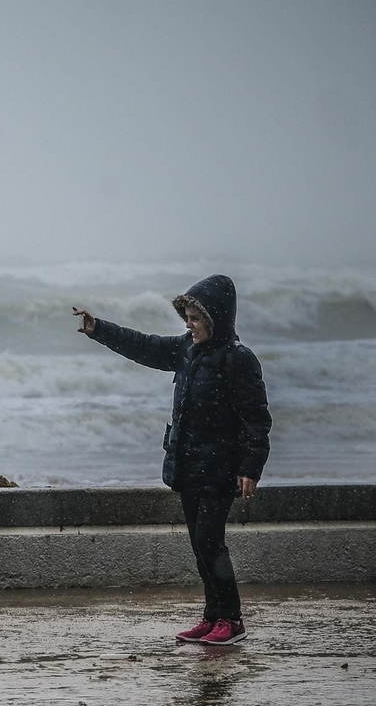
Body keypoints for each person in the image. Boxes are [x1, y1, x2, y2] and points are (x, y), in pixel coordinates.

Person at [72, 274, 271, 646]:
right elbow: (143, 346)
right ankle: (212, 616)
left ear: (216, 320)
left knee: (211, 542)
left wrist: (250, 467)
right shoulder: (186, 349)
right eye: (188, 319)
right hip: (187, 464)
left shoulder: (238, 360)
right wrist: (99, 329)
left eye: (196, 320)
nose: (190, 326)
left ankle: (232, 619)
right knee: (199, 544)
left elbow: (256, 419)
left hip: (220, 467)